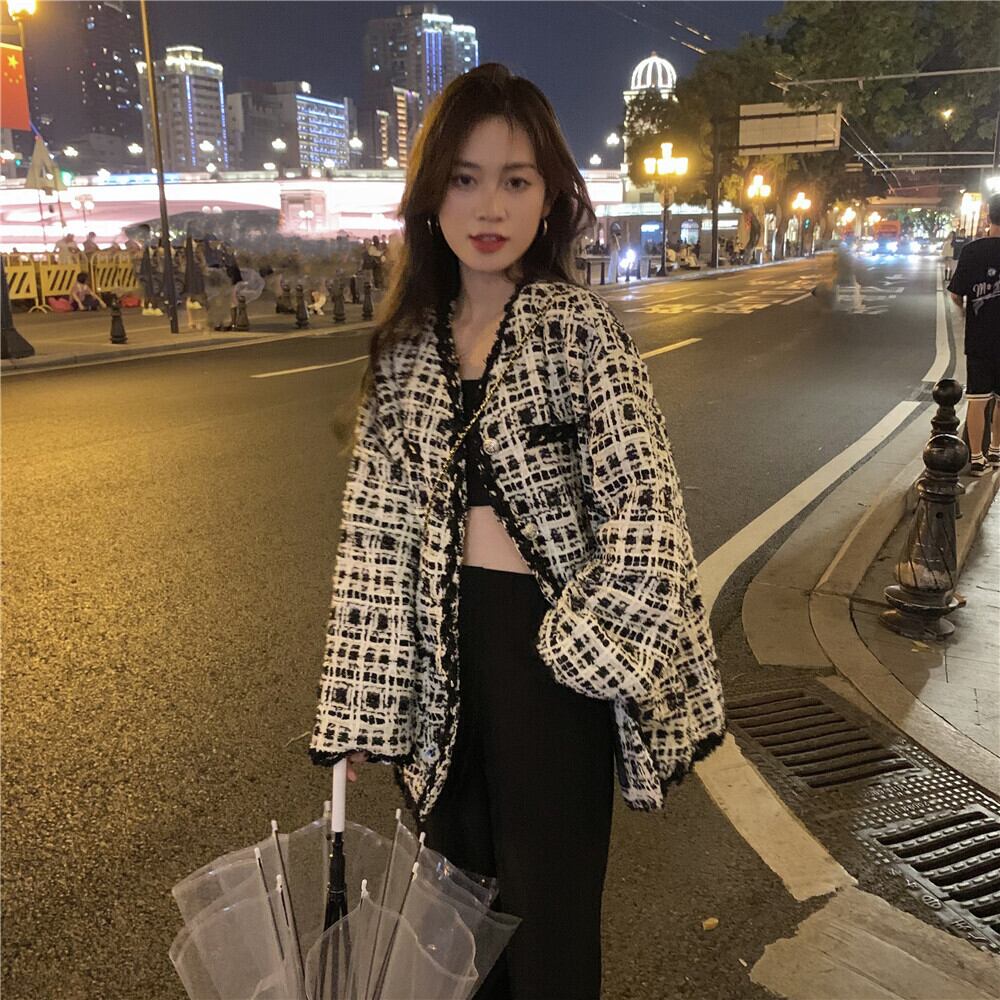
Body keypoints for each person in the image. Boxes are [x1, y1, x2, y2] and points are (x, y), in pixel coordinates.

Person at [309, 63, 725, 1000]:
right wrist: (360, 708)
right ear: (432, 194)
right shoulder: (406, 351)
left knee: (549, 917)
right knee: (457, 917)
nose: (489, 205)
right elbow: (373, 542)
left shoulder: (582, 332)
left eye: (516, 179)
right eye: (464, 178)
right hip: (440, 659)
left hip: (553, 656)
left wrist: (580, 652)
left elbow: (648, 519)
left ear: (551, 198)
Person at [948, 193, 1000, 475]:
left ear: (988, 216)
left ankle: (977, 458)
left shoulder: (972, 251)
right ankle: (997, 452)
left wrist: (966, 313)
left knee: (977, 399)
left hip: (979, 338)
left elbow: (956, 294)